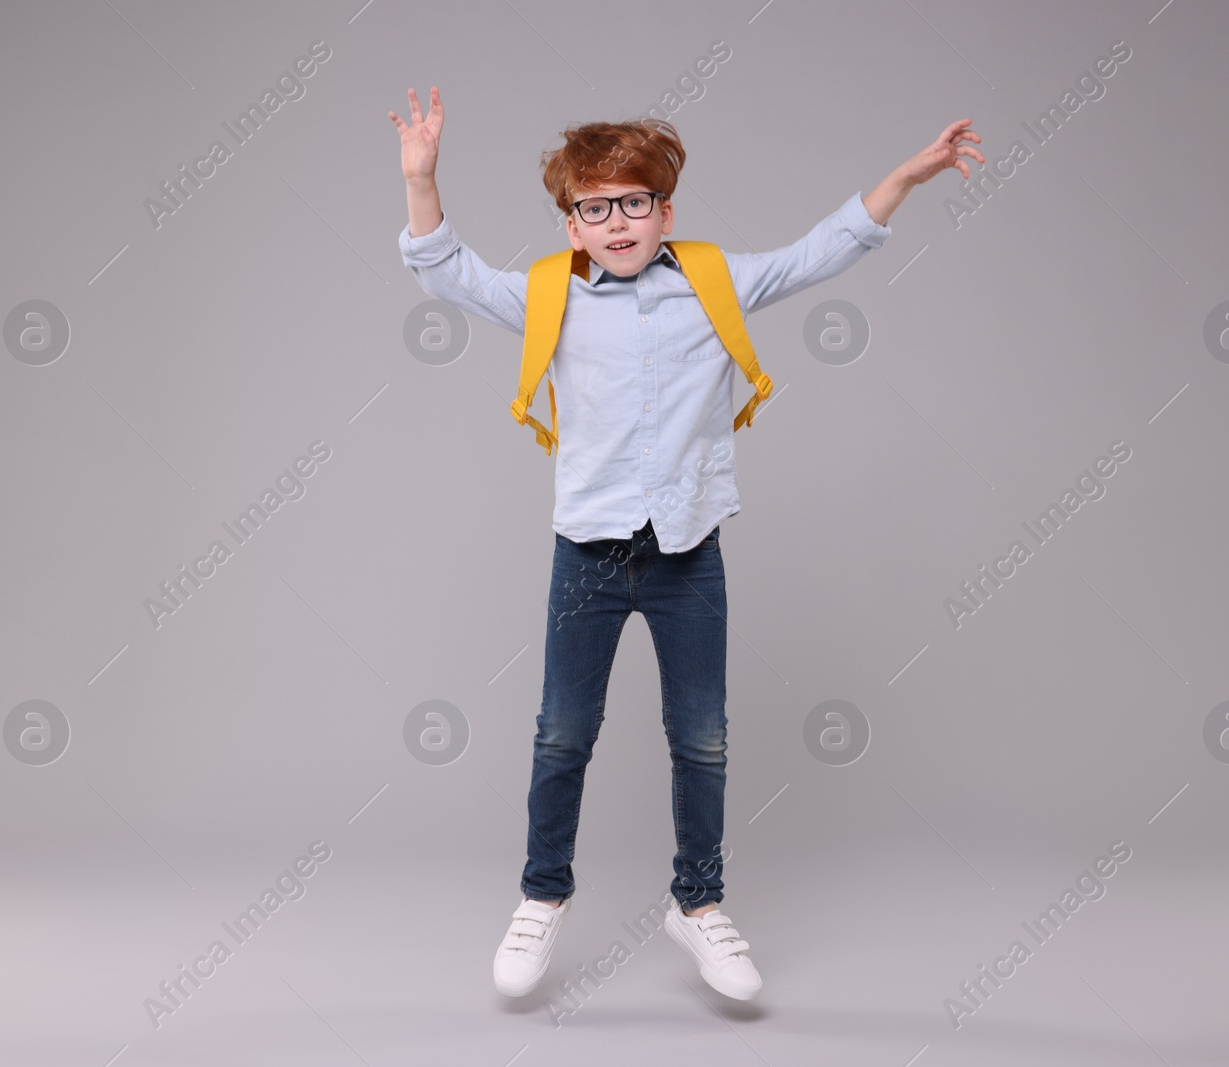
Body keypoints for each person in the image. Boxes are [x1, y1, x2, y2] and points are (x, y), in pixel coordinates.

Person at [389, 85, 981, 1002]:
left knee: (701, 739)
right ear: (571, 223)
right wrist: (423, 181)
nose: (616, 222)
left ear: (665, 211)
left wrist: (907, 175)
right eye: (594, 207)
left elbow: (819, 251)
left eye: (633, 203)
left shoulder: (715, 281)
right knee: (560, 735)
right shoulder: (550, 293)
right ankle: (543, 894)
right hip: (586, 554)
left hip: (687, 553)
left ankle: (697, 904)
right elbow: (447, 269)